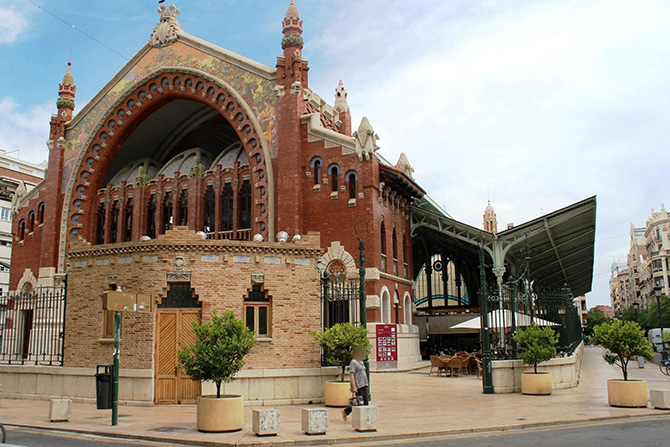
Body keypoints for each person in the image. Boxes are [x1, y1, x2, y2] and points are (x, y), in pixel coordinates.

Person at [342, 346, 369, 421]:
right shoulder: (353, 362)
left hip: (364, 383)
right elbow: (351, 374)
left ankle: (365, 417)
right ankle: (346, 411)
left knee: (365, 400)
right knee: (359, 402)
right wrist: (354, 387)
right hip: (358, 384)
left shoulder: (362, 362)